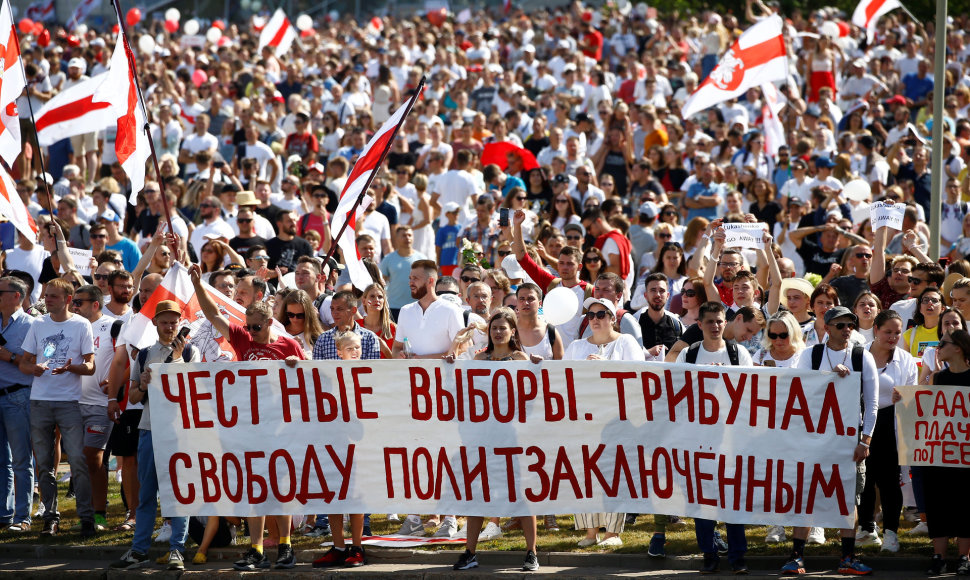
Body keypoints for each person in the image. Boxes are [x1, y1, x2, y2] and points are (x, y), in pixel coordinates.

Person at [189, 264, 305, 571]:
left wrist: (297, 364)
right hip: (249, 426)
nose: (250, 333)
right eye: (248, 327)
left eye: (256, 327)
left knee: (280, 489)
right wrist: (196, 283)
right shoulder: (243, 340)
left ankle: (285, 546)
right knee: (255, 489)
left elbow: (310, 382)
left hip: (280, 428)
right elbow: (213, 314)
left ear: (269, 322)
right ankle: (255, 549)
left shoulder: (287, 344)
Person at [108, 301, 201, 571]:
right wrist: (146, 384)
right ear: (156, 324)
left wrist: (178, 359)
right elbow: (134, 396)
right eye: (164, 322)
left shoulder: (191, 351)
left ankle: (177, 550)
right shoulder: (145, 353)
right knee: (147, 493)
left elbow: (191, 390)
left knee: (180, 494)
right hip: (149, 429)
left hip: (179, 432)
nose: (170, 327)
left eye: (174, 322)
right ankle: (139, 551)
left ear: (179, 322)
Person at [788, 306, 878, 576]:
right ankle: (796, 557)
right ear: (826, 329)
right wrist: (827, 377)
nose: (847, 329)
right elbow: (797, 391)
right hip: (814, 438)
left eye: (850, 324)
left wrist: (866, 440)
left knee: (848, 497)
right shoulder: (810, 355)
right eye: (840, 325)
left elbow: (872, 403)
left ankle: (848, 557)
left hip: (850, 439)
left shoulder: (863, 356)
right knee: (807, 496)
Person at [452, 309, 539, 572]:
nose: (498, 332)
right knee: (477, 493)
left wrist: (537, 368)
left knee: (521, 493)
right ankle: (469, 552)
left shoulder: (522, 358)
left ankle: (531, 552)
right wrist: (451, 362)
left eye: (503, 328)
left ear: (513, 331)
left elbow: (534, 396)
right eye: (494, 328)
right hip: (482, 437)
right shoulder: (479, 359)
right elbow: (463, 390)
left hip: (513, 436)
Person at [675, 301, 751, 574]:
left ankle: (737, 555)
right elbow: (678, 394)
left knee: (732, 496)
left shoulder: (737, 353)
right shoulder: (690, 355)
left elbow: (749, 394)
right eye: (710, 322)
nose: (716, 326)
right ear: (699, 324)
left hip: (730, 437)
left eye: (720, 321)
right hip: (698, 438)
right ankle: (709, 553)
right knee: (702, 497)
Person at [564, 298, 644, 547]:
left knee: (614, 473)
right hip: (584, 421)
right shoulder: (576, 347)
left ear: (613, 318)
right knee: (586, 472)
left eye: (601, 314)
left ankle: (613, 532)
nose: (595, 319)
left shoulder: (626, 342)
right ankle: (590, 532)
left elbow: (639, 377)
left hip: (617, 419)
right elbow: (561, 381)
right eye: (591, 315)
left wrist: (607, 368)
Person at [20, 278, 96, 538]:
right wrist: (34, 369)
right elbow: (24, 363)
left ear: (67, 299)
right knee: (43, 464)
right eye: (46, 295)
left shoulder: (81, 324)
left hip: (70, 402)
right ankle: (50, 517)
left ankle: (86, 517)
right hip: (39, 400)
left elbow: (90, 366)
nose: (47, 299)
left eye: (52, 296)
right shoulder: (38, 324)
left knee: (77, 460)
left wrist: (70, 368)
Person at [909, 329, 970, 575]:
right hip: (939, 453)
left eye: (942, 344)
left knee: (965, 503)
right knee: (938, 503)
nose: (938, 348)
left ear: (957, 348)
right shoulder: (937, 378)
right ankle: (939, 557)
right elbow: (919, 408)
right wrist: (904, 400)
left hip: (964, 454)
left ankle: (964, 557)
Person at [856, 310, 917, 554]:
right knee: (865, 478)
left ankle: (891, 532)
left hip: (891, 423)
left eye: (897, 332)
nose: (892, 337)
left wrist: (903, 398)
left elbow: (913, 396)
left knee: (890, 481)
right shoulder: (858, 355)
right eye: (887, 331)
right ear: (876, 330)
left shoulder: (905, 359)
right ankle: (867, 527)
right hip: (862, 422)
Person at [311, 331, 369, 569]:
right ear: (339, 351)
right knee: (333, 496)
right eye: (349, 348)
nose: (355, 352)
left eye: (357, 347)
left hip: (358, 444)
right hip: (333, 443)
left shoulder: (368, 375)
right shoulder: (331, 375)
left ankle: (357, 547)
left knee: (355, 497)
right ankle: (338, 547)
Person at [71, 285, 119, 532]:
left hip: (101, 403)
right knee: (79, 460)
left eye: (79, 302)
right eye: (73, 301)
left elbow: (129, 357)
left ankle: (99, 516)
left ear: (96, 304)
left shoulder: (113, 326)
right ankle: (87, 516)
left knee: (93, 457)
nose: (74, 306)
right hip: (71, 401)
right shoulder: (71, 326)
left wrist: (116, 381)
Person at [0, 276, 35, 532]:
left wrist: (9, 356)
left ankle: (23, 517)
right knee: (2, 460)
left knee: (22, 460)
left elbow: (38, 365)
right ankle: (4, 514)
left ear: (16, 296)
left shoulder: (30, 325)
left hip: (18, 397)